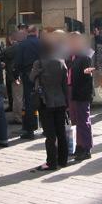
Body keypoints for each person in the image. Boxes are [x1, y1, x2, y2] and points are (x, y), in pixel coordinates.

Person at [30, 39, 69, 171]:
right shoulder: (61, 62)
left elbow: (31, 78)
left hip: (45, 102)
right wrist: (67, 101)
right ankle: (63, 160)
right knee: (61, 132)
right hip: (60, 101)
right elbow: (65, 84)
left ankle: (51, 162)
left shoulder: (38, 63)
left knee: (50, 135)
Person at [68, 32, 94, 161]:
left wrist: (86, 96)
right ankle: (78, 146)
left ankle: (86, 148)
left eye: (74, 42)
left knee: (83, 121)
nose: (72, 44)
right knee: (75, 121)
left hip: (81, 94)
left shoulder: (85, 57)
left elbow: (88, 80)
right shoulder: (72, 57)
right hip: (72, 92)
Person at [16, 25, 42, 140]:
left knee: (29, 102)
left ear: (28, 32)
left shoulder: (22, 44)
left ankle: (30, 131)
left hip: (27, 76)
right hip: (41, 74)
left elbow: (18, 61)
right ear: (36, 32)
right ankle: (46, 128)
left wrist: (17, 74)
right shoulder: (41, 43)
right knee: (43, 99)